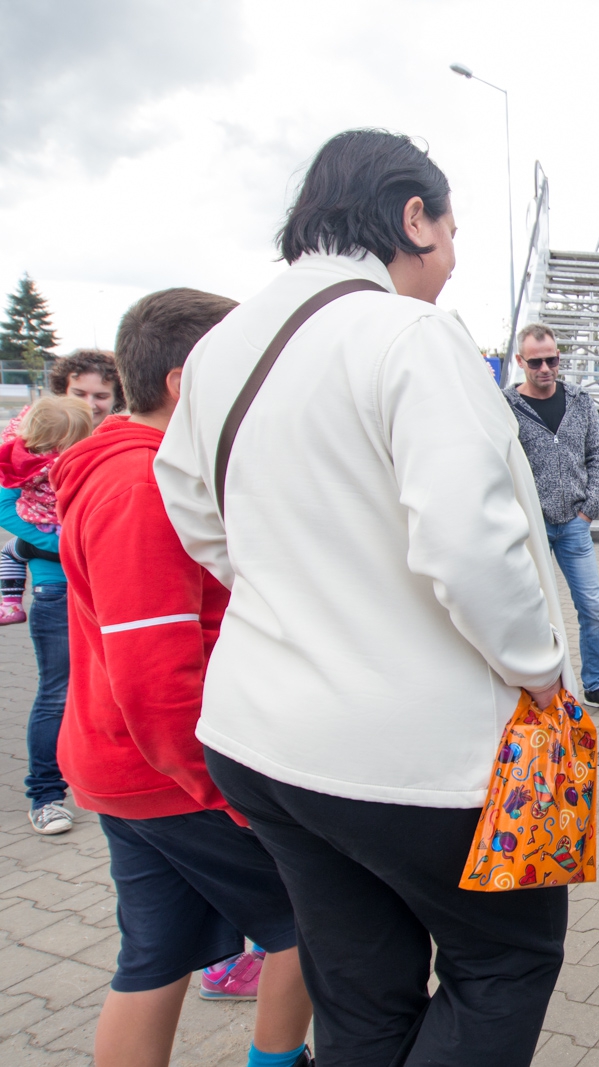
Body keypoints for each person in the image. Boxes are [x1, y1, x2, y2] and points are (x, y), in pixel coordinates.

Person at [153, 128, 575, 1066]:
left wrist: (300, 592)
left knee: (361, 988)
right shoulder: (410, 332)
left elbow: (189, 501)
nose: (455, 262)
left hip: (263, 745)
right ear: (411, 216)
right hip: (418, 763)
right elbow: (471, 543)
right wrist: (540, 671)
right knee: (503, 964)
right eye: (452, 233)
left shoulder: (224, 344)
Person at [55, 287, 315, 1067]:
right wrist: (230, 794)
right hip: (170, 773)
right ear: (185, 379)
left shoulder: (126, 467)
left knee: (156, 956)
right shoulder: (143, 487)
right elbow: (154, 675)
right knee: (316, 921)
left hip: (123, 767)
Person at [2, 349, 124, 834]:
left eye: (101, 395)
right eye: (81, 393)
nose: (91, 404)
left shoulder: (113, 436)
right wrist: (62, 545)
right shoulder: (32, 433)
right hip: (58, 585)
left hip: (109, 584)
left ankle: (107, 782)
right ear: (61, 390)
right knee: (57, 693)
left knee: (114, 689)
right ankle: (46, 794)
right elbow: (8, 507)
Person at [505, 323, 599, 715]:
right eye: (536, 362)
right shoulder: (506, 406)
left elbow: (598, 454)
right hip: (532, 527)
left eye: (552, 360)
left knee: (591, 608)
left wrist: (588, 508)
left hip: (574, 524)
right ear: (521, 361)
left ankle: (595, 683)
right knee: (534, 610)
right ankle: (540, 687)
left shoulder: (579, 400)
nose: (545, 368)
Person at [0, 396, 95, 625]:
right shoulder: (84, 459)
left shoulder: (25, 462)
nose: (91, 402)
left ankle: (11, 603)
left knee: (9, 553)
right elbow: (4, 507)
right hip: (64, 563)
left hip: (43, 526)